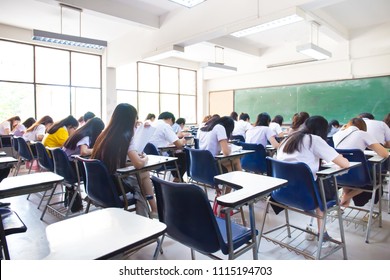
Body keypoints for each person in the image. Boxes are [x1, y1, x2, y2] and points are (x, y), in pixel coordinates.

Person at [276, 116, 349, 246]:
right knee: (323, 186)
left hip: (281, 193)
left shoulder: (288, 138)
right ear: (323, 130)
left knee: (315, 182)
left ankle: (314, 227)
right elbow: (345, 164)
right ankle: (322, 234)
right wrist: (340, 158)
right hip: (306, 197)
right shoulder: (314, 140)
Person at [91, 103, 157, 217]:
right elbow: (139, 164)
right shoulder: (126, 136)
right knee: (144, 173)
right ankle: (153, 211)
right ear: (131, 119)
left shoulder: (104, 134)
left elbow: (113, 161)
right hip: (114, 185)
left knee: (140, 176)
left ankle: (152, 211)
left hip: (98, 184)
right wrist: (145, 158)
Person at [333, 117, 389, 207]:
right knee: (374, 177)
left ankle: (345, 196)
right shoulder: (362, 134)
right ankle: (347, 196)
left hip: (338, 176)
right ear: (363, 128)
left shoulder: (337, 135)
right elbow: (385, 154)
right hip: (359, 178)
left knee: (348, 168)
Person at [148, 112, 186, 182]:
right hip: (161, 160)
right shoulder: (165, 125)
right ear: (170, 119)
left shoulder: (151, 124)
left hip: (150, 160)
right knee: (185, 155)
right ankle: (177, 179)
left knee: (176, 157)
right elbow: (179, 144)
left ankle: (178, 179)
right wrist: (182, 141)